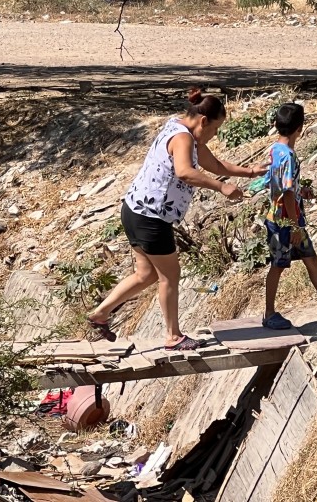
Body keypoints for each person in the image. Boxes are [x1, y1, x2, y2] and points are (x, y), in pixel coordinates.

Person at [87, 88, 269, 350]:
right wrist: (221, 188)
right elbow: (185, 172)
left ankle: (101, 313)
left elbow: (214, 165)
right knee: (170, 276)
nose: (214, 135)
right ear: (203, 121)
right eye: (215, 129)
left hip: (134, 210)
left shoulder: (180, 129)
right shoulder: (184, 139)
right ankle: (173, 336)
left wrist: (250, 172)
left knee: (146, 274)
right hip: (151, 216)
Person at [262, 103, 317, 330]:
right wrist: (295, 226)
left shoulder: (275, 150)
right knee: (278, 265)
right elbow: (287, 193)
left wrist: (301, 193)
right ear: (300, 129)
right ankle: (269, 313)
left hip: (285, 219)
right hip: (285, 222)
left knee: (310, 260)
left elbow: (278, 185)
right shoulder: (289, 156)